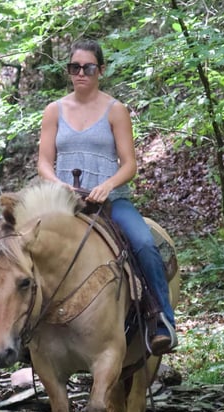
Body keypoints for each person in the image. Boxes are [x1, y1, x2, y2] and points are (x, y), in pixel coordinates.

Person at [36, 38, 177, 355]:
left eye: (87, 68)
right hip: (66, 204)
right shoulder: (54, 111)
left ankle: (161, 321)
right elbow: (44, 162)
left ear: (100, 70)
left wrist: (108, 185)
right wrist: (58, 183)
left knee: (144, 243)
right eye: (74, 67)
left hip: (112, 203)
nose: (80, 73)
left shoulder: (116, 110)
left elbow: (129, 164)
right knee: (26, 247)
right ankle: (25, 332)